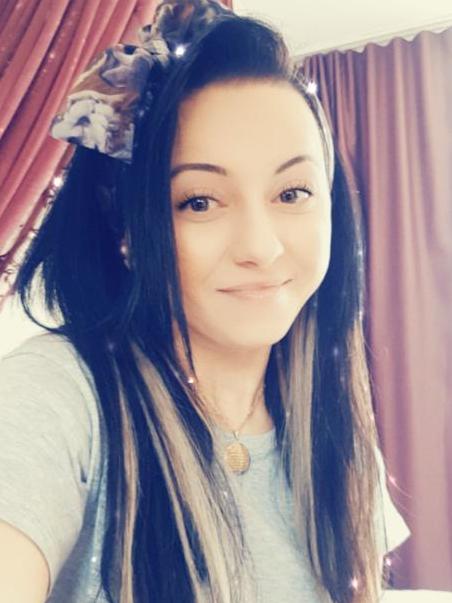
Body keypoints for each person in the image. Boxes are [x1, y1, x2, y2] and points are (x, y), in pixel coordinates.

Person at [0, 1, 411, 602]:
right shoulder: (57, 396)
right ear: (128, 231)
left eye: (292, 192)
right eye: (200, 201)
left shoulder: (334, 428)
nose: (261, 248)